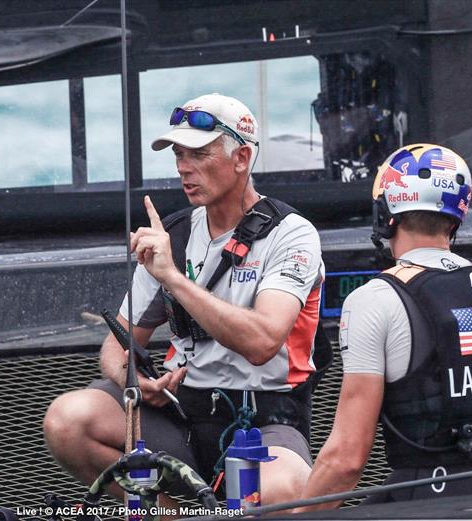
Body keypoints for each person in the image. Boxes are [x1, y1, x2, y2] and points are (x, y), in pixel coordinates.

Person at [44, 93, 325, 506]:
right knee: (67, 421)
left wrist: (172, 278)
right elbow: (115, 344)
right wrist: (134, 380)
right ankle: (167, 512)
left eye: (198, 153)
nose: (182, 167)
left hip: (264, 419)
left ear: (242, 158)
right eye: (178, 154)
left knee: (273, 491)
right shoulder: (173, 234)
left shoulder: (292, 234)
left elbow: (263, 342)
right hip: (182, 413)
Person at [296, 144, 472, 510]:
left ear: (386, 214)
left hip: (431, 501)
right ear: (458, 213)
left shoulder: (373, 300)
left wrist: (297, 517)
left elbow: (347, 460)